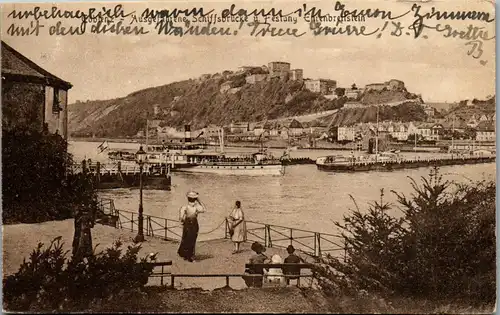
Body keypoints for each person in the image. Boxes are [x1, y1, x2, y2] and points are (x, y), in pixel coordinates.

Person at [177, 190, 206, 262]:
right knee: (192, 240)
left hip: (187, 224)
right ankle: (189, 256)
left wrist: (183, 221)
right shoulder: (196, 207)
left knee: (186, 239)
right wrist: (199, 200)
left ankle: (186, 255)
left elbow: (181, 218)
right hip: (194, 225)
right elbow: (204, 209)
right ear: (195, 199)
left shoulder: (184, 207)